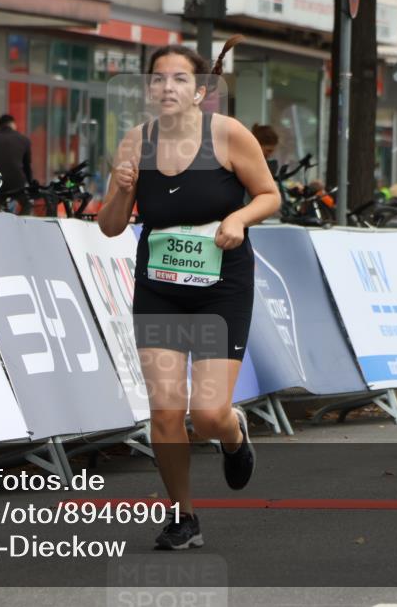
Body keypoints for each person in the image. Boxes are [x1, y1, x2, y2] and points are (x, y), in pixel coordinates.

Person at [98, 39, 281, 550]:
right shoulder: (136, 142)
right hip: (160, 288)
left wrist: (239, 219)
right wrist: (118, 188)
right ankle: (184, 516)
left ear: (200, 91)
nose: (167, 87)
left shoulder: (228, 136)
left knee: (205, 413)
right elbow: (111, 227)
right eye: (158, 79)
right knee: (164, 408)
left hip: (221, 287)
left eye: (179, 79)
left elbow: (269, 195)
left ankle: (233, 434)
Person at [0, 114, 33, 215]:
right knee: (27, 204)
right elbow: (27, 166)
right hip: (17, 183)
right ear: (12, 124)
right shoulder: (24, 140)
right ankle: (20, 224)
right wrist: (31, 183)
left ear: (0, 126)